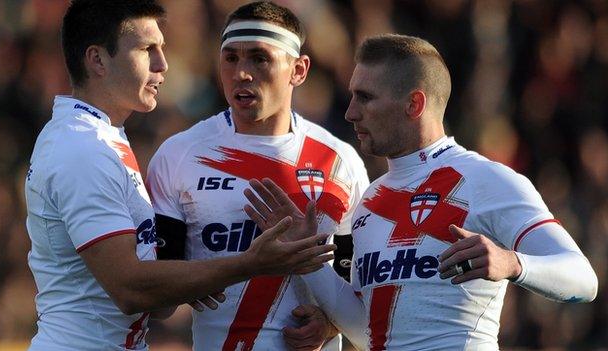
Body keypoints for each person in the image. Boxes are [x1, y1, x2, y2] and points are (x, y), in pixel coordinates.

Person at [243, 34, 599, 350]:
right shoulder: (370, 202)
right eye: (352, 96)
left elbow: (583, 280)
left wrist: (512, 263)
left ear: (414, 104)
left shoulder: (487, 180)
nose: (350, 113)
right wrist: (308, 258)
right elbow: (368, 333)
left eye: (365, 98)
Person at [24, 1, 336, 350]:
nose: (163, 64)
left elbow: (159, 303)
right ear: (97, 60)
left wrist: (193, 276)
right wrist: (250, 263)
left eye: (162, 48)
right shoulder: (82, 148)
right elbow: (129, 288)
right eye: (147, 50)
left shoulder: (103, 138)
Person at [146, 2, 370, 350]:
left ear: (299, 70)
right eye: (231, 58)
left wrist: (327, 325)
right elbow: (159, 304)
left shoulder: (341, 162)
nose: (242, 73)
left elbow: (362, 297)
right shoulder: (178, 156)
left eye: (259, 58)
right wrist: (195, 279)